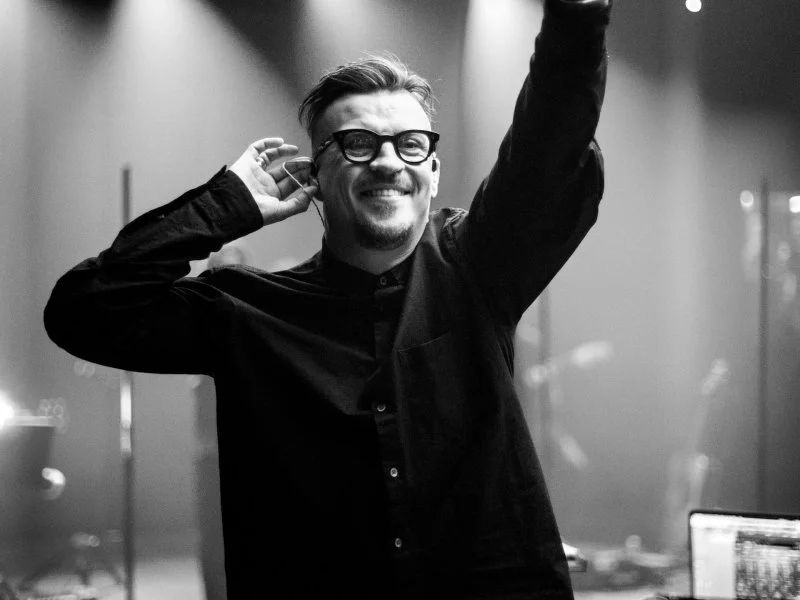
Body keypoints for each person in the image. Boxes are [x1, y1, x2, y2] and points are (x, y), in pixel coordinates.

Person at [44, 0, 612, 597]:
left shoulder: (478, 267)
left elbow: (550, 147)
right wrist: (226, 204)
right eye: (358, 143)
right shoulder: (248, 311)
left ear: (434, 171)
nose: (388, 161)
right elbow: (83, 310)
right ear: (314, 175)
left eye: (410, 143)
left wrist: (577, 17)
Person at [189, 243, 248, 600]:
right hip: (211, 452)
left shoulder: (255, 317)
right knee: (213, 535)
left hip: (249, 448)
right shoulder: (202, 319)